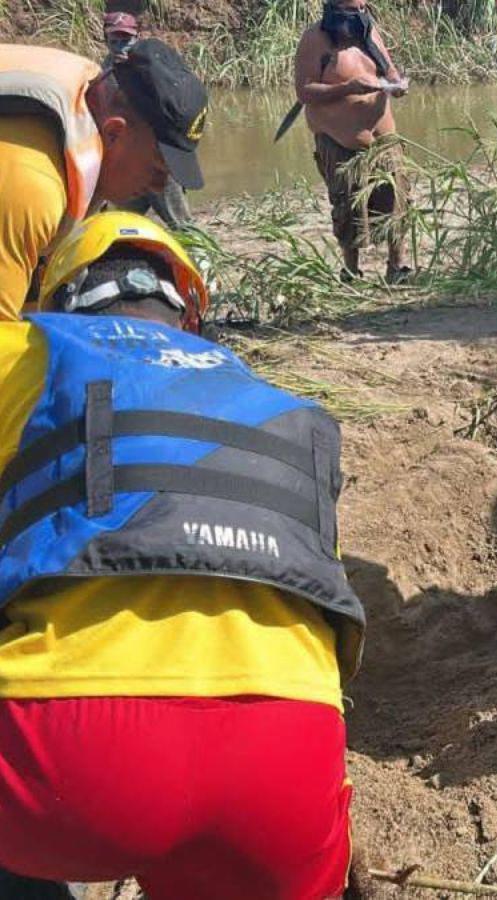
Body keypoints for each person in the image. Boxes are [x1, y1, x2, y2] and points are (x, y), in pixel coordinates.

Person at [0, 211, 365, 898]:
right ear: (189, 314)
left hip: (68, 764)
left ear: (57, 305)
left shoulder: (27, 354)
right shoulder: (291, 414)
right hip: (289, 766)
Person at [0, 39, 207, 320]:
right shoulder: (32, 187)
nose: (159, 187)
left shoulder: (90, 93)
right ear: (113, 134)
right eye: (157, 170)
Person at [294, 0, 413, 284]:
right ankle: (351, 272)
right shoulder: (314, 39)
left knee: (397, 201)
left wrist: (398, 84)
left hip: (384, 140)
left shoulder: (370, 32)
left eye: (359, 10)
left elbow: (390, 71)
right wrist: (347, 88)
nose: (355, 17)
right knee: (348, 207)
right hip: (340, 142)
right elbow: (304, 91)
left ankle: (397, 268)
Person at [102, 9, 195, 230]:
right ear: (106, 40)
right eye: (115, 40)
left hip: (159, 160)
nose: (120, 46)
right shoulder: (105, 69)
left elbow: (176, 108)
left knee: (181, 223)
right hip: (128, 163)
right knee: (124, 223)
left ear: (137, 37)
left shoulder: (153, 67)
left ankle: (203, 261)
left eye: (126, 40)